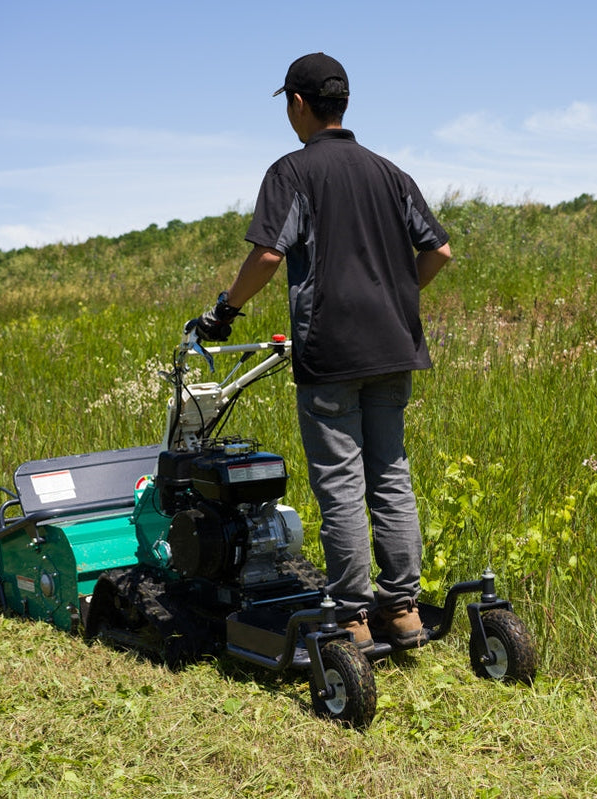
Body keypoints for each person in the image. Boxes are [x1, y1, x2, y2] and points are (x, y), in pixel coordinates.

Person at [191, 53, 451, 652]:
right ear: (345, 103)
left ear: (299, 104)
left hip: (331, 353)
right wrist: (398, 296)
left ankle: (353, 615)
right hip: (394, 349)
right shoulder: (392, 173)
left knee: (339, 482)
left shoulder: (292, 173)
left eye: (287, 103)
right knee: (391, 475)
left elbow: (267, 256)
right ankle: (405, 608)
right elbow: (439, 252)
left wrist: (224, 312)